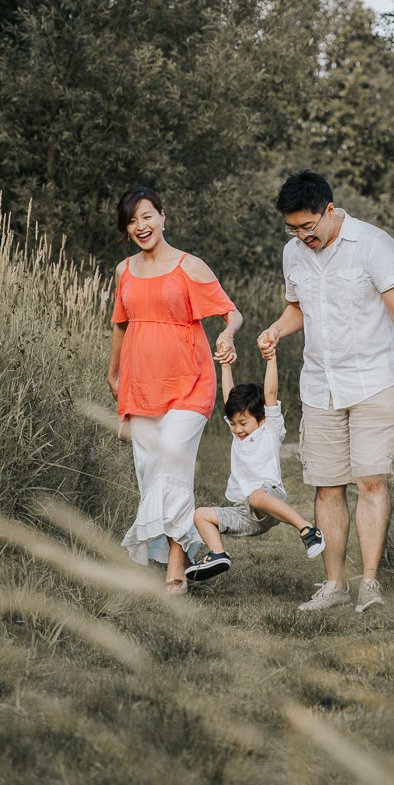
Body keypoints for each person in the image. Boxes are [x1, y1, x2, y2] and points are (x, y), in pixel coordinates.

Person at [256, 170, 394, 613]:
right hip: (320, 385)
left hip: (374, 382)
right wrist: (276, 328)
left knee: (370, 481)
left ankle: (369, 583)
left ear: (330, 211)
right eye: (292, 228)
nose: (301, 236)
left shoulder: (374, 245)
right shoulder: (293, 253)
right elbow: (299, 308)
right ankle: (335, 585)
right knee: (327, 486)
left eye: (308, 226)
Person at [107, 186, 242, 593]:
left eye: (146, 216)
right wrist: (112, 375)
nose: (140, 226)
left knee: (172, 470)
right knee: (151, 476)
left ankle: (175, 571)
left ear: (163, 217)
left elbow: (231, 312)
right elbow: (119, 324)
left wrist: (229, 334)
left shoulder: (190, 266)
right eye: (132, 221)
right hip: (140, 385)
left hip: (190, 382)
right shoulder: (124, 270)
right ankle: (183, 553)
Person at [184, 338, 326, 583]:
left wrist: (271, 358)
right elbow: (230, 399)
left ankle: (307, 530)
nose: (237, 429)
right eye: (233, 423)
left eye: (243, 423)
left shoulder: (269, 429)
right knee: (201, 515)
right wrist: (225, 366)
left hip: (269, 498)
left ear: (261, 419)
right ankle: (218, 554)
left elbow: (270, 393)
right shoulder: (237, 432)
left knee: (257, 496)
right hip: (244, 513)